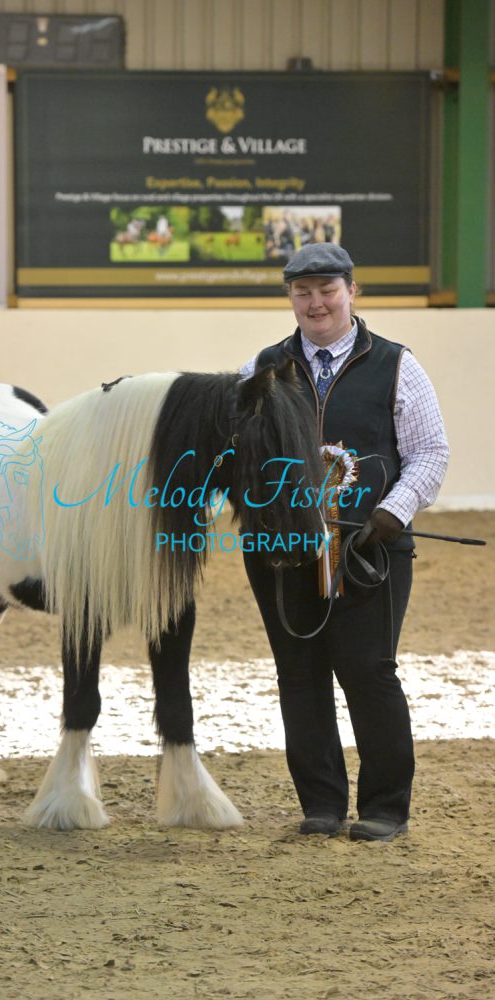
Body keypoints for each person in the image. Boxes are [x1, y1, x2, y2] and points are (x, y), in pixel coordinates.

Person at [240, 243, 449, 842]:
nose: (316, 303)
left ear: (352, 291)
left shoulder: (397, 365)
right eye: (302, 292)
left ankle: (385, 807)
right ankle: (322, 805)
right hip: (284, 551)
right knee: (298, 672)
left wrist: (391, 513)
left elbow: (430, 453)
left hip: (369, 550)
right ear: (290, 298)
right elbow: (239, 450)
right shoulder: (262, 368)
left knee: (368, 670)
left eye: (327, 290)